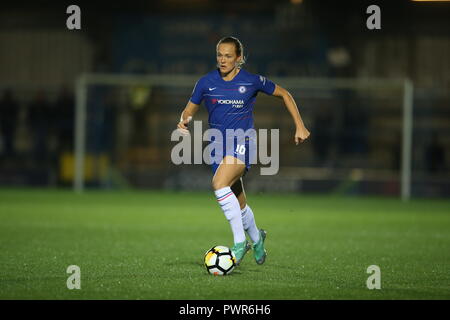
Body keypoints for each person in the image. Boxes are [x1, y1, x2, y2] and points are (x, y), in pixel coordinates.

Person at [176, 36, 310, 265]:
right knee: (238, 202)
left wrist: (300, 125)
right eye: (220, 55)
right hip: (217, 145)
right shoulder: (205, 82)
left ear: (239, 58)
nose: (223, 60)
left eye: (228, 56)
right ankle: (258, 239)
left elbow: (285, 94)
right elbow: (189, 110)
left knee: (219, 184)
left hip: (243, 141)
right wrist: (183, 122)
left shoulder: (251, 81)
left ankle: (239, 243)